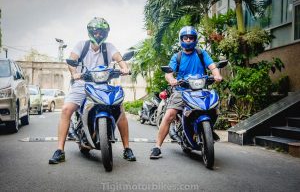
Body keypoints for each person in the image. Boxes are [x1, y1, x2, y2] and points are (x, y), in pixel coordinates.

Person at [49, 17, 136, 164]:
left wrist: (125, 68)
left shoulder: (109, 47)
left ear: (106, 33)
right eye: (95, 31)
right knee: (66, 109)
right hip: (82, 83)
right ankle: (59, 150)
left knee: (120, 109)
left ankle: (127, 148)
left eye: (101, 32)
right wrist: (74, 73)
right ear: (90, 32)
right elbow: (72, 60)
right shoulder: (81, 46)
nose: (98, 34)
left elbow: (120, 59)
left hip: (103, 84)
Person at [150, 26, 223, 159]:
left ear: (195, 40)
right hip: (182, 91)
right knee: (170, 115)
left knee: (213, 108)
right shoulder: (177, 56)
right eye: (185, 38)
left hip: (200, 90)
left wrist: (217, 75)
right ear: (181, 39)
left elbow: (212, 67)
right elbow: (169, 73)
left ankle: (207, 131)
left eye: (191, 38)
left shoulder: (201, 54)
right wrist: (171, 79)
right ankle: (157, 147)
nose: (188, 40)